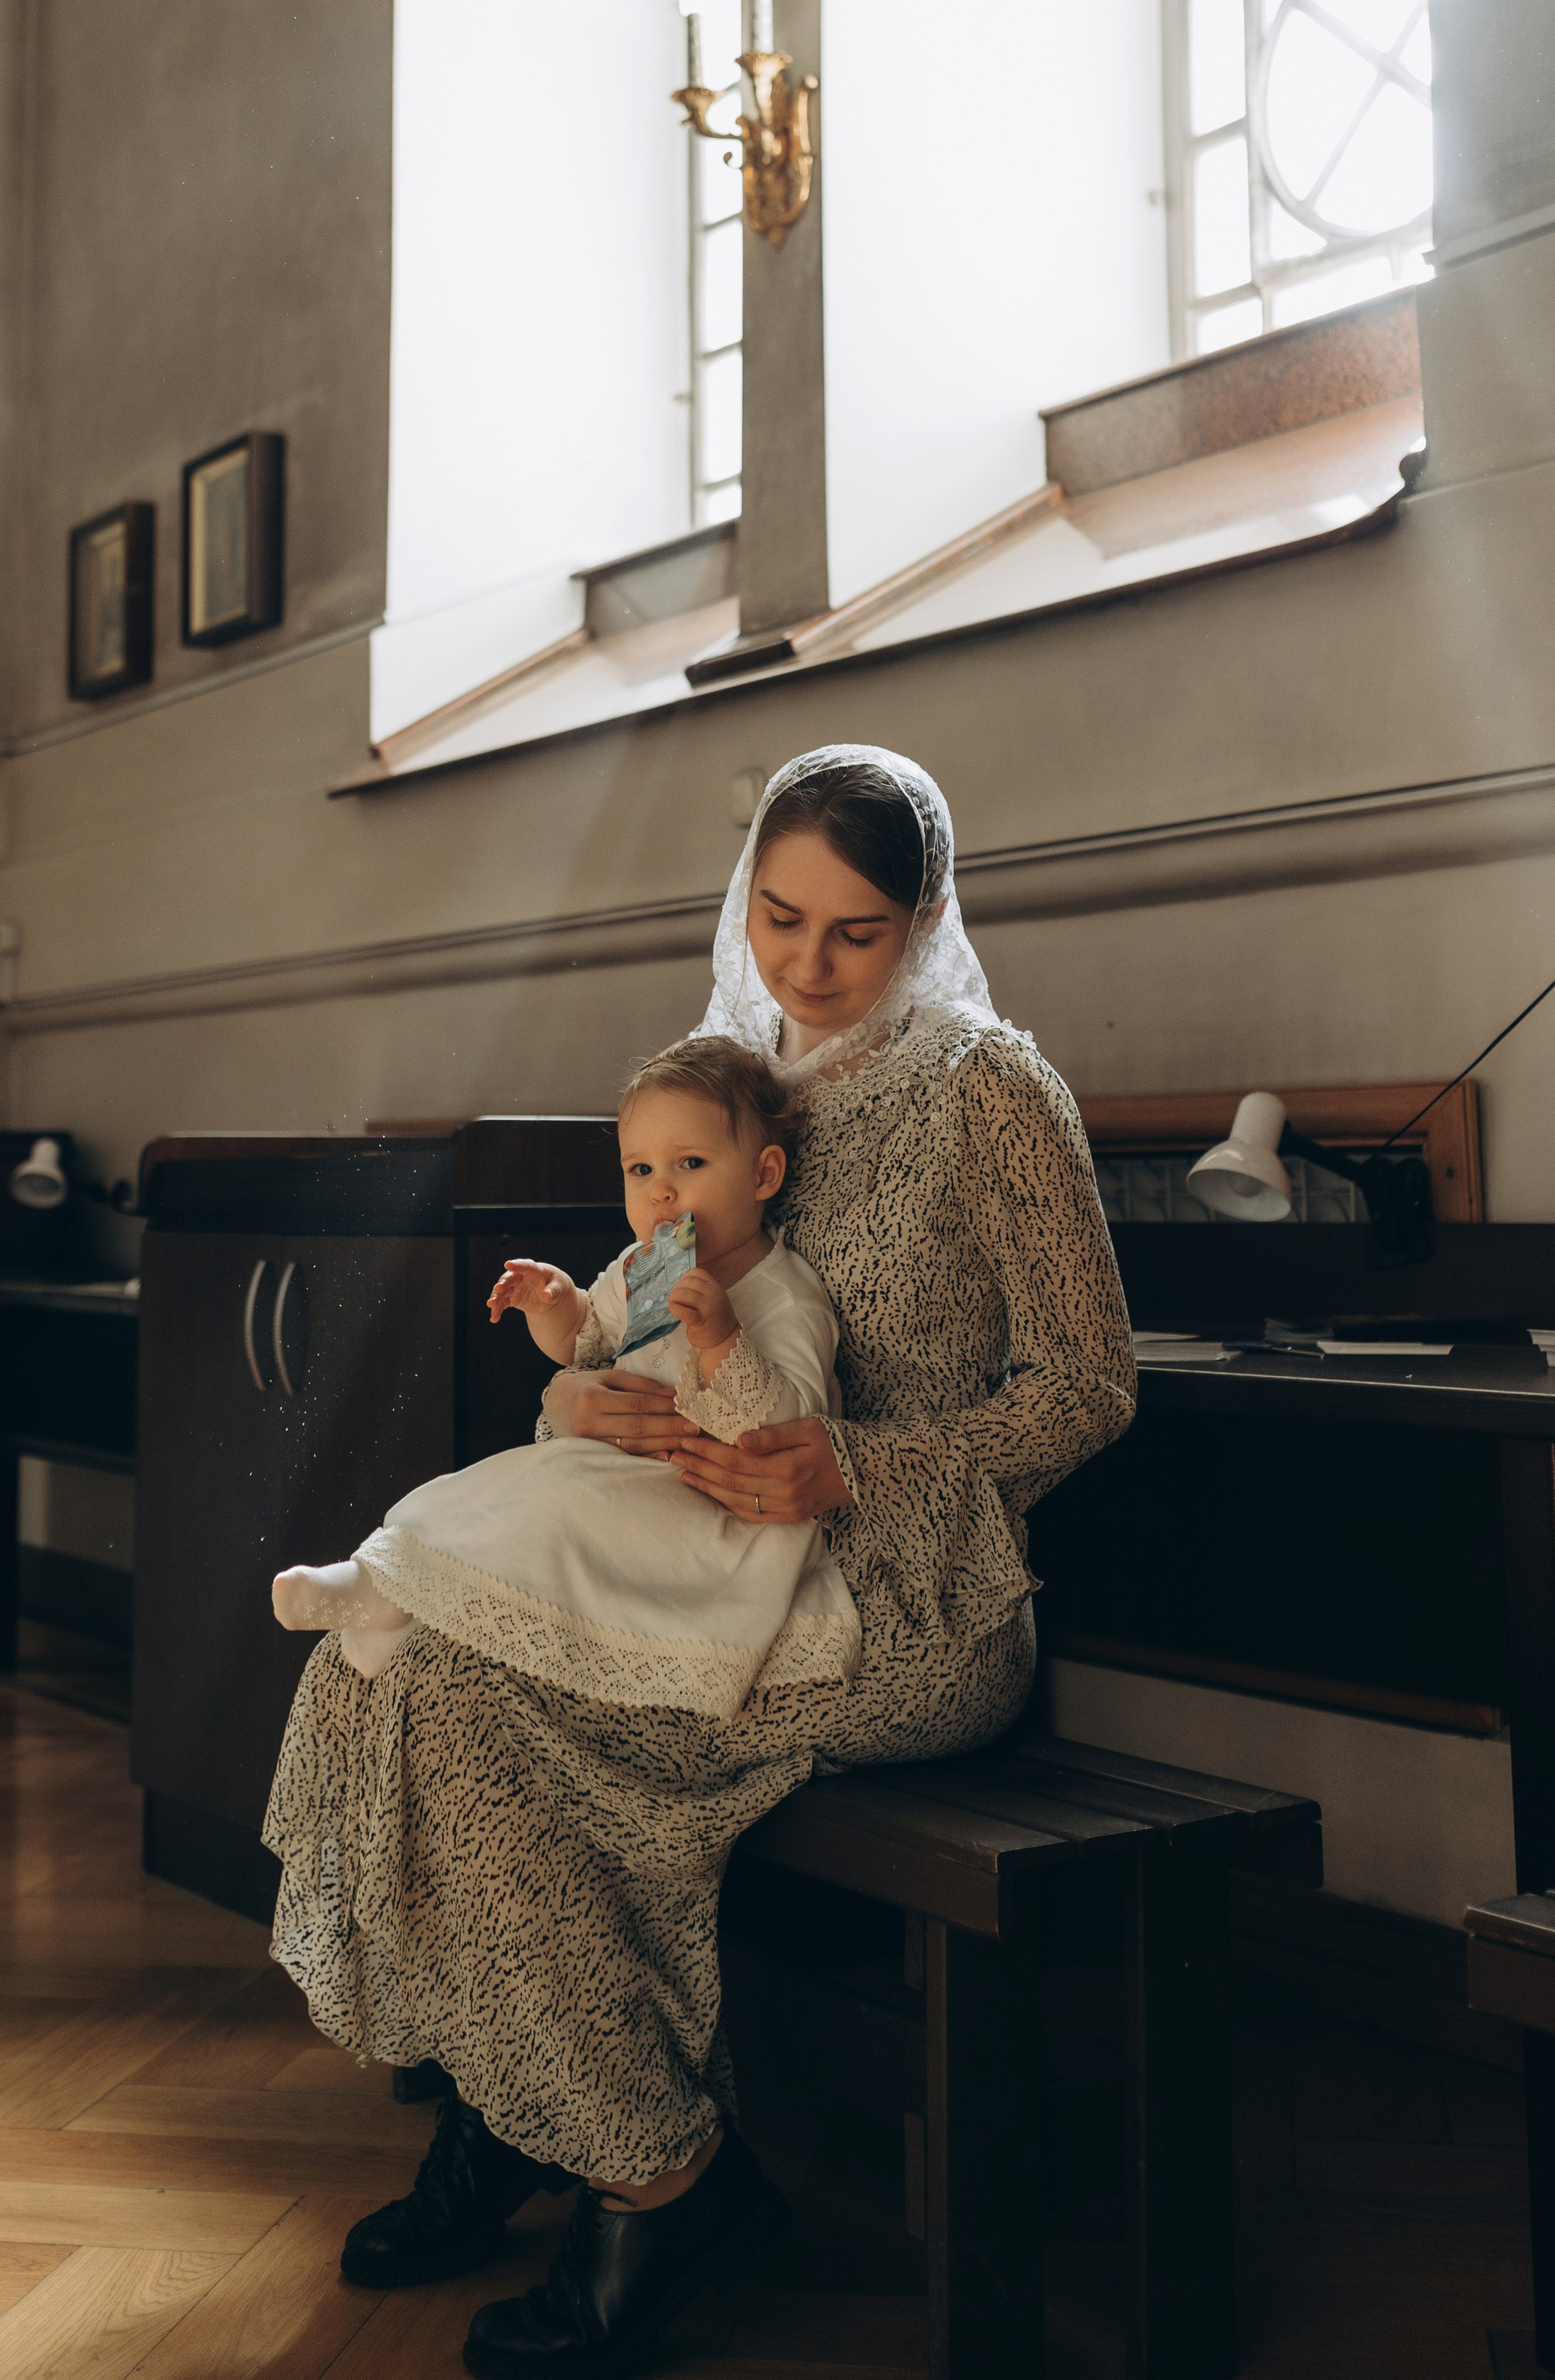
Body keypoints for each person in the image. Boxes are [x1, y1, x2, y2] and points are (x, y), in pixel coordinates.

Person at [263, 742, 1135, 2380]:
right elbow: (641, 1339)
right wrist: (574, 1390)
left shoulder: (987, 1090)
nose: (804, 967)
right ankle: (529, 2112)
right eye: (778, 915)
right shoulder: (723, 1083)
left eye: (854, 933)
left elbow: (1091, 1388)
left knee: (462, 1708)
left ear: (927, 916)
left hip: (903, 1604)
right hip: (691, 1563)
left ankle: (654, 2179)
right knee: (389, 1663)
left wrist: (859, 1458)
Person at [268, 1036, 858, 1716]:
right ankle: (387, 1581)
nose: (660, 1190)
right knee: (506, 1482)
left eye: (690, 1163)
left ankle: (391, 1595)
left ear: (764, 1175)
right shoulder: (647, 1266)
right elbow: (586, 1341)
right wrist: (554, 1302)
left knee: (558, 1498)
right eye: (639, 1169)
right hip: (627, 1477)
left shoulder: (783, 1294)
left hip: (716, 1509)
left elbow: (789, 1429)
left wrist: (721, 1337)